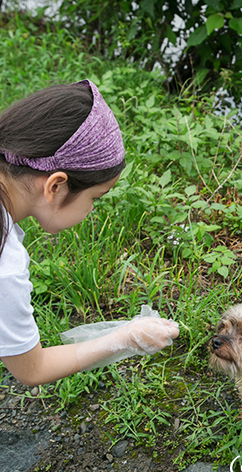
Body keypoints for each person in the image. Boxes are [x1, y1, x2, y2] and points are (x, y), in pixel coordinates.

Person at [0, 79, 179, 386]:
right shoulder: (5, 267)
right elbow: (32, 369)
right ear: (55, 186)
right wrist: (127, 338)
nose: (92, 210)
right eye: (95, 198)